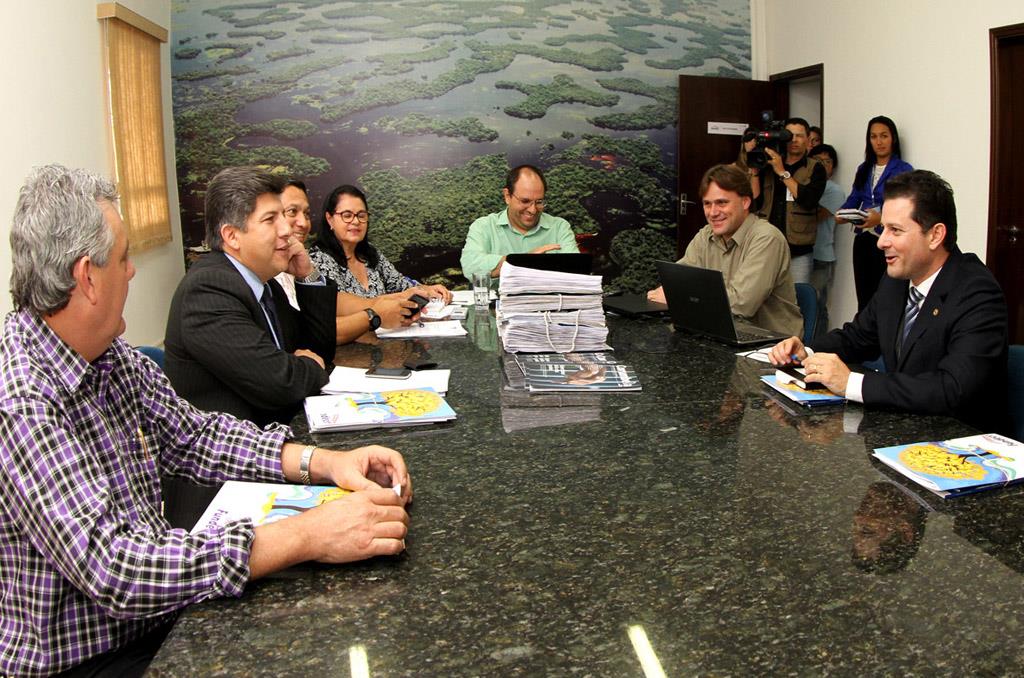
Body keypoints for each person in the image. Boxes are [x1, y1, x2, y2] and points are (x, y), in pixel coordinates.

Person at [0, 165, 412, 677]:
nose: (132, 272)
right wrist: (306, 535)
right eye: (125, 258)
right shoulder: (20, 400)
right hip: (89, 660)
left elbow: (196, 435)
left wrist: (325, 462)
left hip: (160, 618)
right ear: (87, 277)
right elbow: (116, 570)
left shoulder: (109, 357)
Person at [163, 167, 339, 528]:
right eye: (271, 219)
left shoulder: (263, 283)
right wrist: (305, 365)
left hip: (271, 457)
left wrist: (307, 277)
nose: (288, 231)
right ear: (232, 236)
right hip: (222, 491)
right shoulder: (209, 289)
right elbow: (280, 381)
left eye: (285, 217)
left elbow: (319, 349)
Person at [769, 170, 1009, 432]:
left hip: (959, 446)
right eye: (883, 228)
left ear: (935, 235)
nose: (881, 242)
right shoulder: (896, 280)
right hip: (901, 432)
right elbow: (858, 337)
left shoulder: (977, 293)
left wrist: (851, 383)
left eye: (895, 230)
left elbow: (952, 388)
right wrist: (807, 351)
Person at [647, 164, 803, 336]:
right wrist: (674, 293)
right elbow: (676, 281)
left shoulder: (767, 238)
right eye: (707, 204)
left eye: (722, 203)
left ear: (745, 202)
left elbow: (741, 305)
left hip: (770, 346)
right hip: (720, 334)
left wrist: (677, 298)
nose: (713, 212)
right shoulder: (706, 235)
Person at [308, 183, 451, 303]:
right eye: (347, 215)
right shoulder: (319, 259)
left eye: (361, 215)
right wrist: (398, 298)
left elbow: (399, 284)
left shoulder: (370, 252)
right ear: (330, 219)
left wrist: (426, 289)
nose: (356, 221)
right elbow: (338, 308)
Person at [837, 115, 914, 310]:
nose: (878, 142)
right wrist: (843, 214)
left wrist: (880, 217)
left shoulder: (903, 169)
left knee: (889, 298)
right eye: (873, 137)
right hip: (864, 239)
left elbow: (904, 204)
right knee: (864, 299)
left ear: (893, 139)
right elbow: (855, 197)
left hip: (889, 240)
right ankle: (864, 339)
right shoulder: (864, 169)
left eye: (884, 136)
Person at [460, 164, 579, 279]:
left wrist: (507, 265)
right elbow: (470, 267)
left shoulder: (559, 228)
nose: (533, 210)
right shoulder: (483, 226)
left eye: (539, 202)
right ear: (507, 196)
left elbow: (576, 270)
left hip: (547, 299)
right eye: (525, 201)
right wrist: (526, 260)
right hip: (497, 299)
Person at [750, 117, 827, 285]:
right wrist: (754, 168)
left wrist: (782, 172)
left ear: (808, 139)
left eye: (799, 136)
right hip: (766, 247)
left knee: (797, 301)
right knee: (763, 298)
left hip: (798, 252)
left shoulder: (816, 168)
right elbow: (755, 201)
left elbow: (809, 200)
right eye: (789, 135)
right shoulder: (768, 164)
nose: (794, 140)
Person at [808, 143, 846, 332]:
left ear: (834, 166)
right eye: (817, 161)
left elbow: (813, 217)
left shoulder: (834, 190)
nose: (822, 165)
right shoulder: (804, 184)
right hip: (801, 253)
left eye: (827, 161)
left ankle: (819, 346)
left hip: (821, 256)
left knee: (817, 305)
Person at [275, 180, 314, 310]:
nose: (303, 223)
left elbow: (323, 322)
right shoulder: (260, 272)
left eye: (306, 214)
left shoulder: (304, 261)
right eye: (292, 211)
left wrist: (309, 275)